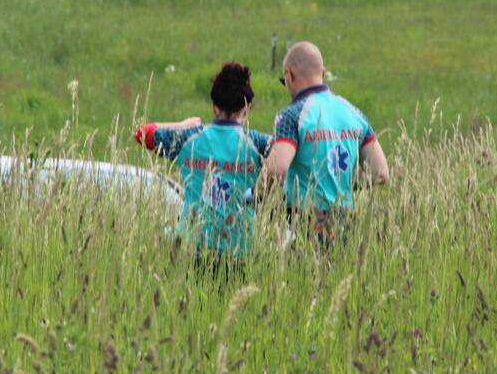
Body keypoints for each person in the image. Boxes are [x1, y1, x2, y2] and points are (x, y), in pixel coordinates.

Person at [135, 62, 272, 258]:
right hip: (239, 248)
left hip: (191, 243)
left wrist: (181, 125)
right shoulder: (256, 142)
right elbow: (286, 155)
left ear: (214, 107)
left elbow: (142, 133)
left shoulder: (188, 138)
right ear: (247, 108)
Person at [264, 41, 389, 242]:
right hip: (346, 225)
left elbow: (277, 169)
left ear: (289, 74)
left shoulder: (292, 116)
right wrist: (341, 182)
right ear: (323, 72)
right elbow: (381, 173)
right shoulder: (354, 113)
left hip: (304, 225)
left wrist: (256, 195)